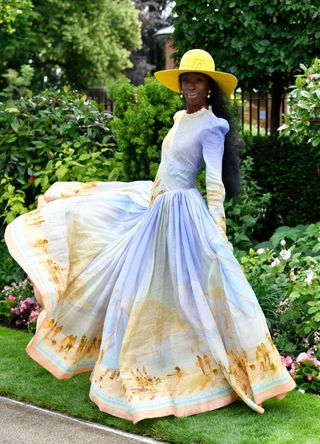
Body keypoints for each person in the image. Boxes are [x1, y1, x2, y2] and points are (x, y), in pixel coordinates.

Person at [5, 49, 296, 424]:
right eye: (186, 80)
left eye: (198, 81)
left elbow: (213, 182)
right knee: (138, 289)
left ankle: (207, 374)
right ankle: (145, 364)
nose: (190, 86)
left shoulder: (212, 127)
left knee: (193, 293)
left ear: (210, 88)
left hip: (186, 216)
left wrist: (217, 230)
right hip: (159, 210)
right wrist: (152, 199)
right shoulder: (179, 119)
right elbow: (166, 168)